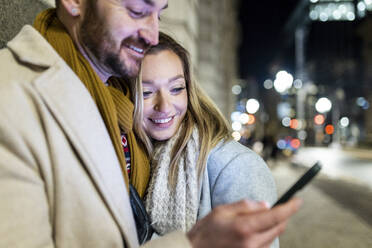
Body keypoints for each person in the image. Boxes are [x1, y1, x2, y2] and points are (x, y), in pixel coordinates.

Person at [0, 0, 302, 247]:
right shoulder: (14, 98)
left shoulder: (115, 110)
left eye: (159, 13)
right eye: (138, 11)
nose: (153, 36)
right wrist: (194, 245)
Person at [137, 32, 278, 247]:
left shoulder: (236, 165)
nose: (164, 106)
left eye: (176, 89)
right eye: (146, 92)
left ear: (190, 90)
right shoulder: (134, 157)